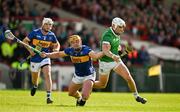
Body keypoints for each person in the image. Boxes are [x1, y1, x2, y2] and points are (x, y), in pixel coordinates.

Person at [93, 17, 147, 104]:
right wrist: (113, 56)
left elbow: (116, 47)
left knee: (128, 77)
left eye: (123, 27)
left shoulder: (117, 33)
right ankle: (86, 84)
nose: (122, 29)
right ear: (114, 26)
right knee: (102, 84)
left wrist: (121, 50)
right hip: (105, 62)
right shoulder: (107, 35)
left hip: (115, 61)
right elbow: (105, 50)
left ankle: (137, 96)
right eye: (120, 27)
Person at [40, 35, 104, 106]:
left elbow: (95, 57)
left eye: (77, 41)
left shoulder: (86, 49)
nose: (75, 44)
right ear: (70, 44)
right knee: (71, 93)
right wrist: (47, 55)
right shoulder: (70, 50)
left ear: (81, 42)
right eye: (73, 42)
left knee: (85, 96)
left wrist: (104, 52)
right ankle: (79, 98)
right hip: (78, 75)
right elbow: (58, 54)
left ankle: (82, 101)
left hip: (89, 75)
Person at [23, 18, 60, 104]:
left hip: (45, 57)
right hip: (35, 59)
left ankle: (49, 97)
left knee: (48, 74)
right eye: (47, 24)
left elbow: (57, 44)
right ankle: (35, 86)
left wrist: (56, 49)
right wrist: (30, 51)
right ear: (43, 24)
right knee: (34, 79)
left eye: (50, 25)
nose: (48, 26)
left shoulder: (51, 35)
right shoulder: (35, 32)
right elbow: (25, 41)